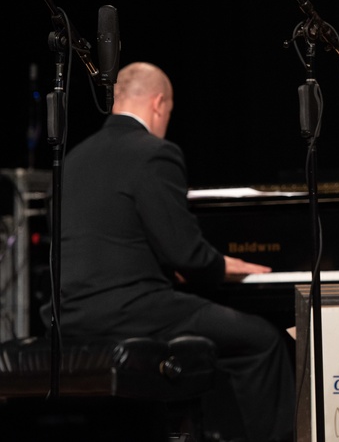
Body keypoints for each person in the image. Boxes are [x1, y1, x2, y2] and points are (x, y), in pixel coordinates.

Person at [52, 61, 295, 442]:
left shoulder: (72, 160)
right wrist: (222, 265)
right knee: (262, 340)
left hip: (70, 317)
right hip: (134, 313)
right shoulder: (153, 153)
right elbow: (187, 256)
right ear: (159, 103)